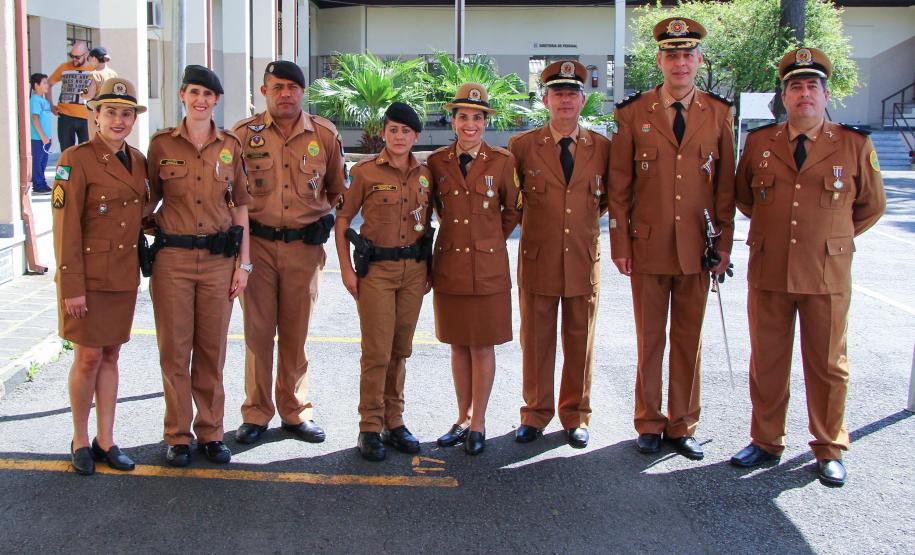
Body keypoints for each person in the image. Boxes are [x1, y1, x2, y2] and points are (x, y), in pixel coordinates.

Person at [730, 47, 886, 486]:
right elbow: (744, 198)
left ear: (824, 93)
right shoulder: (761, 144)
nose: (804, 94)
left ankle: (829, 446)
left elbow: (871, 206)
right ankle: (765, 440)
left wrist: (832, 238)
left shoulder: (853, 144)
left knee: (828, 364)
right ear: (784, 96)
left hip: (826, 273)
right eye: (795, 87)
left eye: (811, 86)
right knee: (768, 361)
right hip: (771, 270)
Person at [608, 17, 736, 461]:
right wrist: (621, 245)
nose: (680, 62)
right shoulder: (632, 113)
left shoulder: (719, 114)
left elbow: (725, 188)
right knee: (650, 339)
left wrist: (723, 247)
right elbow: (620, 189)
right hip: (647, 247)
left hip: (697, 248)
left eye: (687, 54)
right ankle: (648, 420)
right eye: (671, 54)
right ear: (659, 60)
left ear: (698, 61)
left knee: (688, 339)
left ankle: (682, 424)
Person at [231, 61, 345, 446]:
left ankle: (295, 410)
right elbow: (228, 195)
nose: (286, 93)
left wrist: (325, 220)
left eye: (293, 87)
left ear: (302, 92)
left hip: (303, 249)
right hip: (257, 249)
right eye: (278, 86)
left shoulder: (324, 135)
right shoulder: (242, 136)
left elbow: (337, 191)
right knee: (258, 335)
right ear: (264, 90)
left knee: (295, 334)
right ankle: (257, 412)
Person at [145, 65, 251, 467]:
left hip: (218, 261)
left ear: (217, 101)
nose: (200, 100)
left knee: (212, 350)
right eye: (194, 93)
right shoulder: (161, 146)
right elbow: (145, 201)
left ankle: (211, 432)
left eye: (208, 95)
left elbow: (240, 205)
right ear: (182, 96)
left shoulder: (231, 145)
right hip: (172, 259)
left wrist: (245, 265)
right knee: (174, 351)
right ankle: (178, 435)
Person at [509, 60, 610, 449]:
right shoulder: (522, 146)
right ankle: (534, 412)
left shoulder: (601, 148)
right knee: (536, 340)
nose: (565, 100)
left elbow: (604, 202)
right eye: (557, 93)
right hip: (538, 257)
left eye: (572, 93)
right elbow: (512, 203)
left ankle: (576, 414)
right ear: (545, 100)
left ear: (582, 100)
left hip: (583, 258)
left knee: (580, 339)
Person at [51, 77, 148, 475]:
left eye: (126, 113)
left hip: (123, 275)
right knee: (88, 357)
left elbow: (139, 215)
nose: (119, 120)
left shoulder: (138, 159)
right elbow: (65, 228)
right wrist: (70, 287)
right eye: (111, 112)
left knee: (112, 354)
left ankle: (106, 439)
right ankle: (79, 437)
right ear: (95, 115)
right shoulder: (75, 159)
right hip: (87, 277)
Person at [334, 102, 433, 462]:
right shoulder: (364, 172)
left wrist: (430, 271)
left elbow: (432, 221)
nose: (399, 137)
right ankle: (370, 426)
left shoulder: (426, 172)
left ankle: (395, 421)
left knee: (401, 349)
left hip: (414, 272)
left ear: (415, 136)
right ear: (384, 133)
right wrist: (346, 270)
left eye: (406, 131)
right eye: (393, 130)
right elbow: (342, 221)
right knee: (376, 351)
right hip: (377, 272)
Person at [426, 83, 520, 455]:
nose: (470, 124)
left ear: (485, 123)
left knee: (481, 345)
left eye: (477, 118)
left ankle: (478, 421)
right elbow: (434, 206)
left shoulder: (502, 161)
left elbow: (513, 210)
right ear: (452, 121)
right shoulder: (436, 162)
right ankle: (461, 417)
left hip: (488, 266)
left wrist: (489, 238)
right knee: (457, 345)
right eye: (463, 117)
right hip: (450, 263)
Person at [47, 41, 94, 150]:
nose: (74, 59)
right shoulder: (64, 67)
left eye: (77, 57)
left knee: (87, 152)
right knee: (67, 153)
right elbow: (48, 84)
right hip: (65, 116)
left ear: (86, 54)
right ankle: (67, 168)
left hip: (86, 118)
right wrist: (51, 105)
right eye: (71, 56)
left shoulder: (93, 70)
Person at [82, 46, 118, 140]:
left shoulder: (94, 75)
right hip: (111, 110)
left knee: (96, 139)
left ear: (94, 58)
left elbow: (89, 95)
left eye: (89, 59)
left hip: (96, 111)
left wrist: (82, 93)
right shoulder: (113, 73)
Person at [29, 73, 53, 194]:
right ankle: (38, 185)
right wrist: (43, 136)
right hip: (37, 139)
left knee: (43, 162)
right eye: (44, 83)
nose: (46, 85)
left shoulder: (43, 100)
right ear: (36, 85)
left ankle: (42, 183)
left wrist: (48, 137)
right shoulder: (35, 100)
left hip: (45, 139)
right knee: (37, 162)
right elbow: (35, 119)